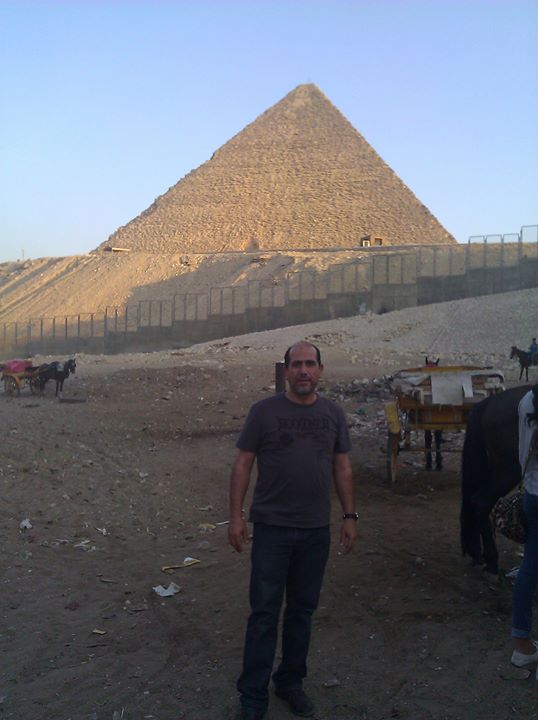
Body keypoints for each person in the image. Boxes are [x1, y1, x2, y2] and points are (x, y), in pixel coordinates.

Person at [228, 341, 358, 720]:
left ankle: (290, 682)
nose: (304, 370)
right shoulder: (263, 412)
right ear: (286, 371)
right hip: (272, 530)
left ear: (320, 370)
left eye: (310, 364)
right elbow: (242, 465)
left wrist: (350, 516)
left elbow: (342, 467)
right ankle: (253, 697)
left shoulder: (333, 414)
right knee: (264, 614)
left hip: (315, 531)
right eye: (297, 364)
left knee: (302, 611)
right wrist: (236, 517)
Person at [511, 384, 538, 668]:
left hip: (533, 494)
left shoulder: (528, 400)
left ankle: (522, 643)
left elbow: (522, 453)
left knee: (529, 569)